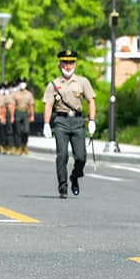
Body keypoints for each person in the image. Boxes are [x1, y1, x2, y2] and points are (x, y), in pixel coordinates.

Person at [42, 50, 96, 198]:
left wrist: (92, 120)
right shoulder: (54, 84)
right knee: (62, 156)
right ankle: (63, 187)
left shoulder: (82, 82)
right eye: (65, 62)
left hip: (78, 121)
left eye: (71, 62)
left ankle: (75, 176)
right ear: (60, 64)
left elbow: (91, 100)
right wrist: (46, 124)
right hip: (61, 121)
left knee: (81, 157)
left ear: (75, 63)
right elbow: (48, 105)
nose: (68, 66)